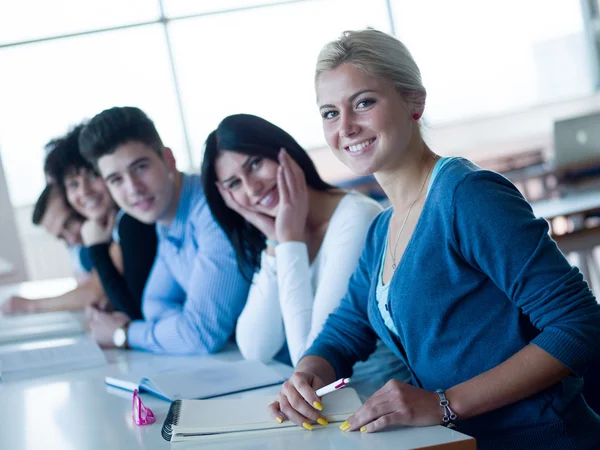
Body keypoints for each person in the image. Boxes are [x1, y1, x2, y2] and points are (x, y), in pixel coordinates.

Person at [269, 29, 600, 449]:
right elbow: (347, 328)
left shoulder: (467, 196)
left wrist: (445, 404)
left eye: (364, 103)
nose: (346, 127)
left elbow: (577, 323)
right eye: (330, 113)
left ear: (414, 101)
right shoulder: (382, 229)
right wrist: (307, 375)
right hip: (460, 443)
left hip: (542, 438)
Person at [201, 113, 409, 391]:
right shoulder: (282, 235)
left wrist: (288, 242)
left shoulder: (357, 217)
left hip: (378, 402)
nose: (252, 187)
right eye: (234, 184)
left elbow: (308, 357)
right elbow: (255, 349)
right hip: (333, 406)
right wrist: (276, 243)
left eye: (255, 164)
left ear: (282, 151)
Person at [78, 106, 250, 354]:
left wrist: (122, 334)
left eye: (140, 168)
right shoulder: (166, 219)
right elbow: (154, 306)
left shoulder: (212, 210)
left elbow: (201, 335)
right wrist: (180, 328)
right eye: (117, 180)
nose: (133, 188)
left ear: (168, 159)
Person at [44, 124, 157, 323]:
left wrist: (96, 247)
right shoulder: (115, 226)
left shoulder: (133, 221)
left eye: (93, 176)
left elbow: (132, 310)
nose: (84, 192)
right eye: (73, 184)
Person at [1, 184, 106, 314]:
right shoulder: (80, 250)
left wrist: (30, 305)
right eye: (61, 236)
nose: (72, 239)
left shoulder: (114, 233)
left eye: (69, 223)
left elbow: (95, 292)